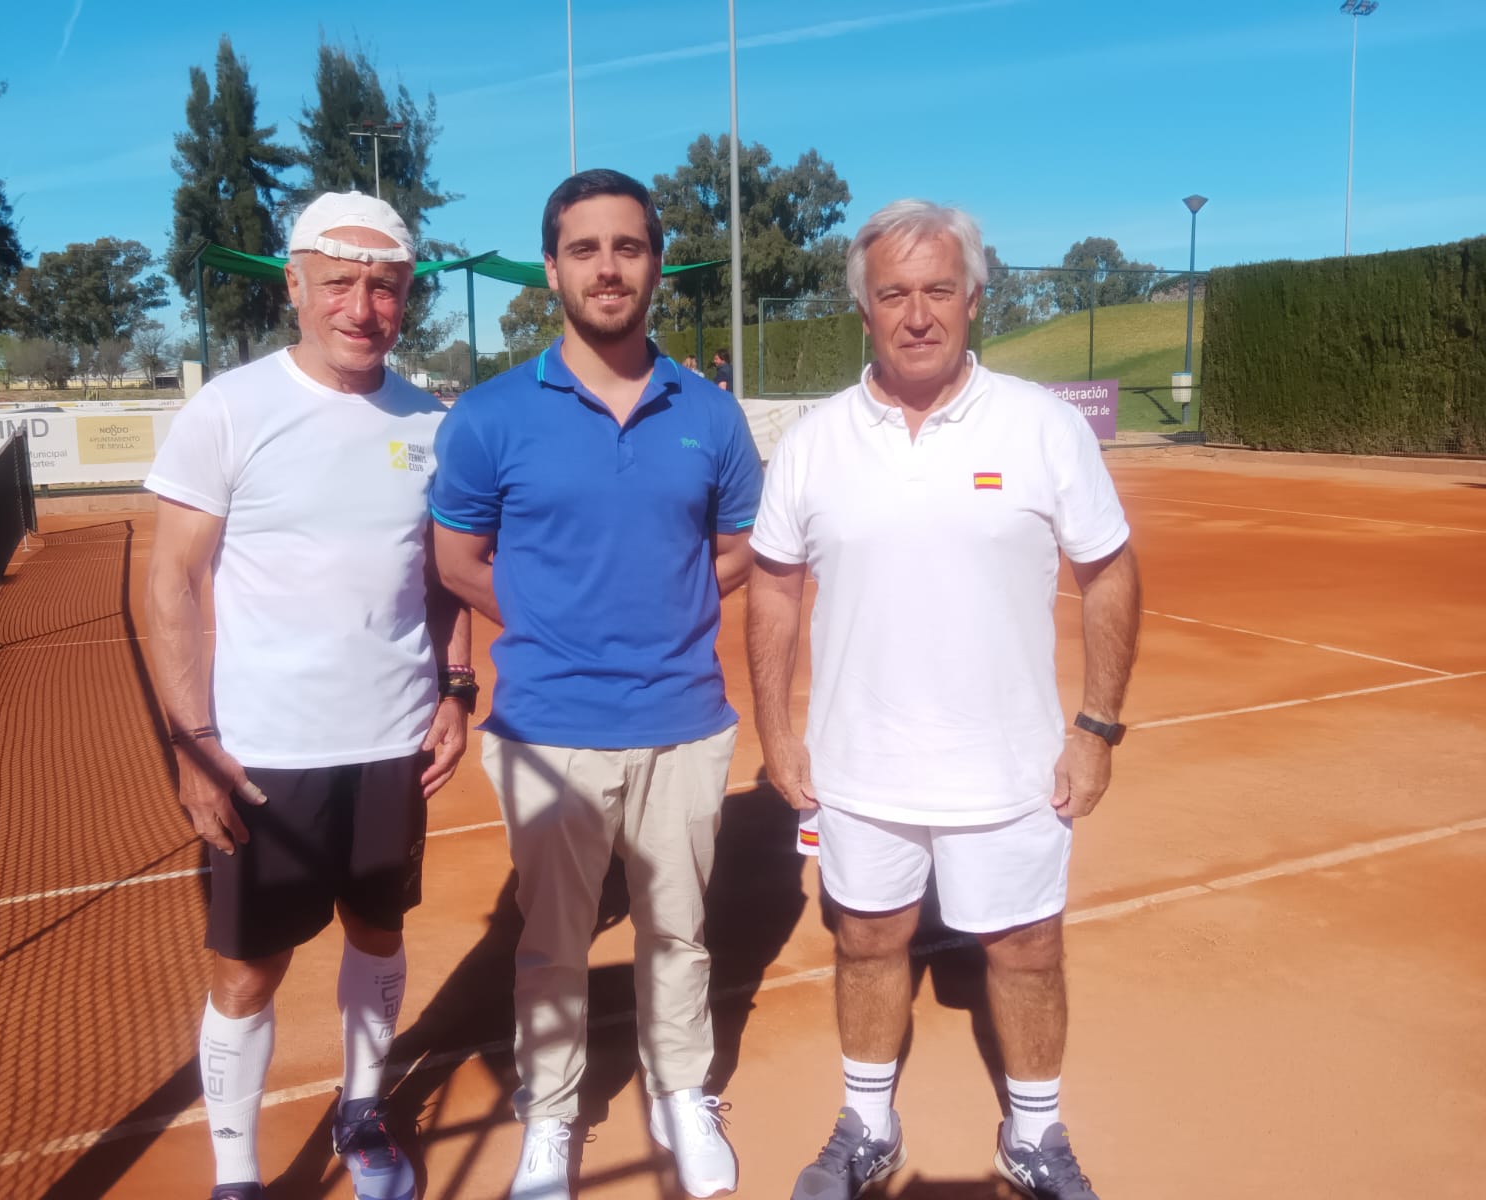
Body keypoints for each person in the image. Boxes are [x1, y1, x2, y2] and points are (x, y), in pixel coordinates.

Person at [746, 199, 1141, 1200]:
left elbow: (1108, 572)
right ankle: (867, 1127)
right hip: (857, 765)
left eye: (935, 290)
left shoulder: (1043, 428)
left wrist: (1095, 726)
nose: (915, 314)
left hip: (1011, 765)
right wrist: (778, 731)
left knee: (1024, 948)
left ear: (973, 297)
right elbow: (777, 588)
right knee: (867, 940)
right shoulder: (814, 442)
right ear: (864, 310)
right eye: (891, 294)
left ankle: (1036, 1138)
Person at [428, 168, 764, 1200]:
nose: (608, 267)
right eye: (586, 249)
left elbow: (739, 543)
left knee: (678, 932)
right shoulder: (488, 417)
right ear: (553, 269)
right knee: (554, 942)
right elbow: (455, 558)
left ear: (655, 264)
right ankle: (551, 1114)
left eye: (628, 247)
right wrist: (552, 624)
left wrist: (659, 610)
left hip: (684, 725)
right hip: (546, 729)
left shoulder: (711, 412)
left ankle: (681, 1094)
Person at [144, 191, 475, 1200]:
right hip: (261, 752)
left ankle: (361, 1109)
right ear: (294, 284)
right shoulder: (231, 410)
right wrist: (194, 742)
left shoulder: (431, 420)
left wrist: (457, 685)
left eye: (383, 285)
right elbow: (171, 579)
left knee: (379, 935)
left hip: (390, 743)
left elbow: (444, 574)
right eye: (339, 282)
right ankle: (236, 1170)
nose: (361, 306)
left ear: (405, 294)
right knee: (247, 969)